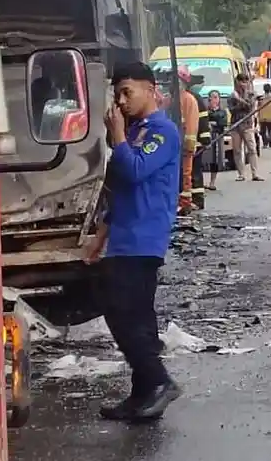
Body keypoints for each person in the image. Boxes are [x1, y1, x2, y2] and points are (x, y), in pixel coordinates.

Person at [82, 62, 182, 421]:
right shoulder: (134, 131)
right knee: (137, 320)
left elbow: (136, 170)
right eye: (117, 94)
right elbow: (119, 190)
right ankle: (142, 394)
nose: (121, 101)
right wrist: (100, 237)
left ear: (151, 90)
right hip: (123, 237)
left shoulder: (162, 132)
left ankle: (160, 381)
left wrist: (119, 136)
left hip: (144, 238)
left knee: (122, 316)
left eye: (128, 92)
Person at [174, 67, 199, 215]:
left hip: (183, 144)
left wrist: (189, 143)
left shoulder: (188, 99)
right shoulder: (174, 98)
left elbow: (191, 123)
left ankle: (185, 203)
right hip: (174, 144)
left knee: (185, 174)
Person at [228, 74, 262, 181]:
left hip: (247, 125)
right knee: (237, 150)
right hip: (235, 125)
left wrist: (240, 100)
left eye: (245, 81)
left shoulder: (251, 94)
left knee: (252, 149)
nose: (243, 84)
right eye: (241, 81)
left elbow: (250, 107)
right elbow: (232, 110)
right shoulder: (232, 95)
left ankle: (255, 173)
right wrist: (238, 102)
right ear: (236, 82)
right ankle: (241, 174)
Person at [203, 91, 230, 190]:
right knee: (205, 160)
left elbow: (222, 123)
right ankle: (202, 181)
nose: (214, 100)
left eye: (216, 97)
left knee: (215, 160)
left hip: (217, 136)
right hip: (206, 137)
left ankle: (212, 182)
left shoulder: (222, 111)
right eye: (212, 97)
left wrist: (213, 123)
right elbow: (204, 121)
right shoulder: (205, 111)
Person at [257, 83, 271, 149]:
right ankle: (270, 141)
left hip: (262, 116)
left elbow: (258, 106)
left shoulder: (261, 98)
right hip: (270, 116)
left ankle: (265, 143)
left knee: (263, 131)